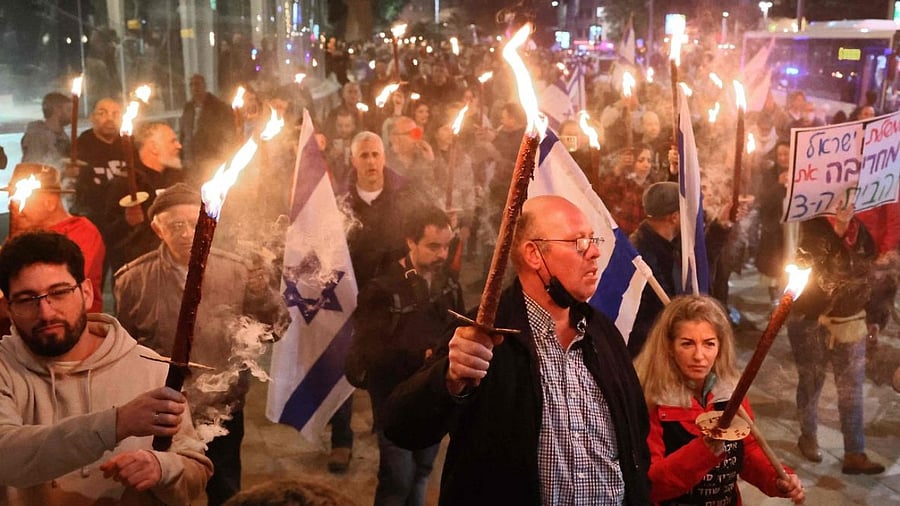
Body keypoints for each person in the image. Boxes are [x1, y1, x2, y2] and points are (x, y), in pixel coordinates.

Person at [383, 195, 651, 505]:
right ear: (534, 254)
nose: (594, 252)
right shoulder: (484, 335)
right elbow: (403, 427)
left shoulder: (603, 334)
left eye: (593, 239)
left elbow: (635, 440)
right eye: (578, 242)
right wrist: (449, 378)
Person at [0, 231, 212, 505]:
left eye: (60, 292)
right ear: (8, 308)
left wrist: (162, 469)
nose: (46, 312)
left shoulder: (150, 369)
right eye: (27, 299)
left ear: (86, 292)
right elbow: (5, 456)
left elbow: (195, 472)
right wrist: (117, 423)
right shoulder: (5, 367)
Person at [114, 183, 288, 506]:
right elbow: (124, 350)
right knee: (166, 486)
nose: (186, 233)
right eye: (175, 225)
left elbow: (276, 327)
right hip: (165, 408)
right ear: (157, 228)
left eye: (193, 223)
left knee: (224, 484)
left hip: (221, 404)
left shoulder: (236, 271)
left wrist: (262, 295)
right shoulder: (133, 281)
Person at [634, 295, 805, 505]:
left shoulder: (729, 392)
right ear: (669, 346)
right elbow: (650, 485)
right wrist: (704, 450)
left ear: (720, 346)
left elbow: (748, 452)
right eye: (687, 344)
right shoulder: (651, 400)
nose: (699, 356)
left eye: (709, 344)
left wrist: (777, 478)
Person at [352, 206, 464, 506]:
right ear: (410, 242)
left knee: (423, 471)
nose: (442, 255)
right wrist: (418, 355)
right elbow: (366, 352)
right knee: (397, 478)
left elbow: (459, 326)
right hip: (394, 396)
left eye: (446, 246)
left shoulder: (449, 284)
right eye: (433, 246)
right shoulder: (383, 290)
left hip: (435, 394)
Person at [787, 204, 887, 474]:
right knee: (812, 380)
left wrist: (875, 317)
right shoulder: (810, 226)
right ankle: (808, 435)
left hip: (850, 322)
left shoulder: (861, 232)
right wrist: (838, 231)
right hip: (809, 319)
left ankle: (855, 452)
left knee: (851, 388)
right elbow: (809, 263)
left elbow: (871, 277)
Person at [7, 164, 105, 313]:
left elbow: (59, 285)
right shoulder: (24, 232)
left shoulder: (82, 231)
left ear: (50, 203)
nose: (12, 206)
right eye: (12, 198)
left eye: (22, 198)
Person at [105, 122, 184, 273]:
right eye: (172, 141)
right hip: (142, 271)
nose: (179, 146)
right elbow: (109, 233)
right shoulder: (125, 182)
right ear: (154, 147)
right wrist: (127, 223)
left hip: (176, 266)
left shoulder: (177, 179)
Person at [73, 97, 127, 233]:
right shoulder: (79, 147)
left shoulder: (130, 146)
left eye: (116, 114)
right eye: (102, 113)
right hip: (92, 222)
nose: (110, 119)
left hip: (124, 222)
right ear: (92, 117)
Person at [179, 74, 238, 184]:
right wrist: (182, 156)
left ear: (204, 86)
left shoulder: (218, 107)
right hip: (191, 160)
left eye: (197, 84)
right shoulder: (188, 108)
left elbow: (227, 133)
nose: (194, 88)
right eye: (191, 85)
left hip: (211, 158)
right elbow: (184, 133)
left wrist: (221, 155)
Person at [20, 92, 72, 167]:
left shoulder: (63, 136)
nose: (72, 114)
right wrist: (65, 170)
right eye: (69, 110)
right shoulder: (37, 136)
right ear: (58, 110)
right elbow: (34, 165)